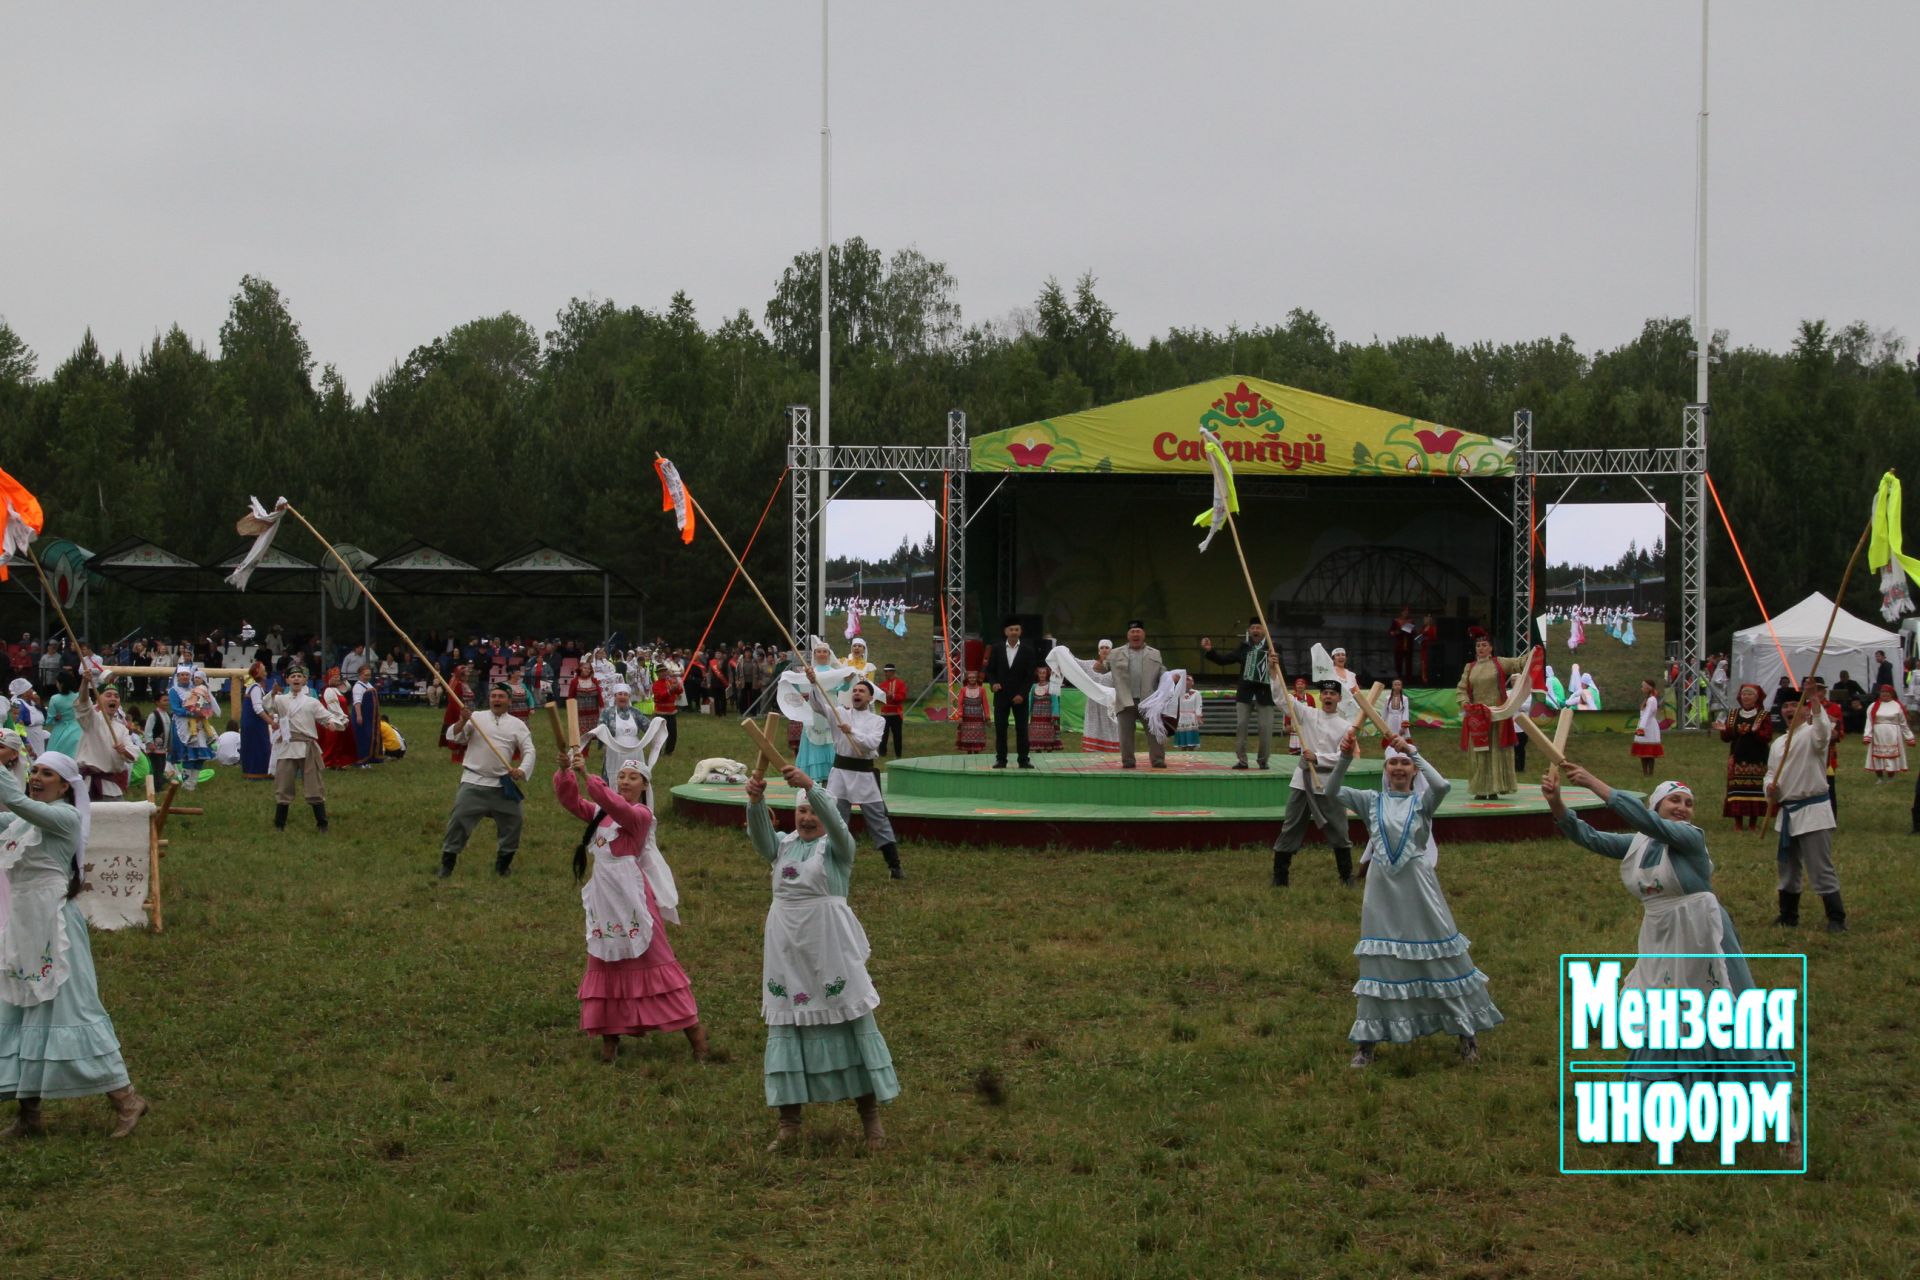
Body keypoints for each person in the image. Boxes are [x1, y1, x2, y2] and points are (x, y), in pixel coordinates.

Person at [1544, 762, 1795, 1139]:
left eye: (1688, 802)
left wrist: (1595, 782)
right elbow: (1591, 837)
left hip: (1703, 934)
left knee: (1731, 1011)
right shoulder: (1640, 845)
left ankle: (1783, 1125)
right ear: (1658, 804)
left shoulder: (1690, 837)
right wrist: (1558, 804)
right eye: (1674, 800)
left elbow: (1648, 823)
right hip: (1662, 939)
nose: (1682, 807)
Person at [744, 764, 900, 1152]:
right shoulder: (780, 847)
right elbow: (759, 835)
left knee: (847, 1017)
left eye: (813, 812)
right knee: (789, 1022)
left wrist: (813, 789)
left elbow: (837, 822)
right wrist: (755, 800)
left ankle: (871, 1122)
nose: (808, 818)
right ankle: (788, 1124)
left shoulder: (838, 849)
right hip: (786, 948)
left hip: (828, 946)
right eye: (801, 811)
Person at [1326, 735, 1501, 1068]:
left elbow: (1444, 785)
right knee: (1380, 961)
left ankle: (1467, 1035)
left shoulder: (1423, 801)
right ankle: (1366, 1044)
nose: (1399, 768)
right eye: (1393, 762)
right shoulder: (1370, 800)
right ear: (1385, 769)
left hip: (1420, 889)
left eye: (1404, 763)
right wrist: (1345, 758)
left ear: (1413, 770)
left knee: (1441, 957)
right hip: (1381, 892)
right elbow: (1331, 792)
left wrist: (1414, 751)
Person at [0, 752, 149, 1139]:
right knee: (19, 1011)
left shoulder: (65, 818)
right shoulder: (20, 822)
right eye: (33, 770)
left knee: (72, 1008)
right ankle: (28, 1114)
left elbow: (15, 801)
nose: (36, 777)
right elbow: (12, 813)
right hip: (24, 926)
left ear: (65, 785)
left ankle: (127, 1100)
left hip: (55, 929)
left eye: (47, 773)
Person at [553, 752, 706, 1064]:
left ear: (645, 785)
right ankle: (609, 1044)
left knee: (656, 959)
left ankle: (698, 1041)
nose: (625, 781)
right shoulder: (599, 813)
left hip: (633, 897)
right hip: (604, 899)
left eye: (632, 777)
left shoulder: (641, 816)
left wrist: (588, 778)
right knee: (605, 960)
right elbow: (571, 801)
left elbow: (619, 809)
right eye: (621, 776)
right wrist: (564, 771)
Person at [812, 675, 905, 879]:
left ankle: (894, 866)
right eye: (854, 690)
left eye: (862, 691)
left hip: (864, 775)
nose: (857, 693)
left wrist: (851, 731)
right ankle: (833, 864)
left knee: (878, 820)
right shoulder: (839, 713)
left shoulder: (877, 721)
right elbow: (819, 705)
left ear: (870, 698)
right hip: (840, 775)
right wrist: (812, 682)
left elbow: (872, 743)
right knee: (836, 819)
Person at [439, 684, 536, 879]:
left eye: (501, 697)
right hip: (473, 781)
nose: (497, 700)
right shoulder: (475, 717)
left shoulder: (517, 724)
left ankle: (502, 866)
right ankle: (447, 866)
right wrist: (462, 720)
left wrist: (522, 770)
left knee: (514, 821)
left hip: (502, 784)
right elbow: (455, 737)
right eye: (493, 697)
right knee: (458, 822)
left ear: (509, 701)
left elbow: (529, 750)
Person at [1764, 693, 1843, 931]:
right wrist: (1769, 787)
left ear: (1805, 711)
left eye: (1794, 705)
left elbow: (1824, 732)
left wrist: (1816, 704)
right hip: (1788, 813)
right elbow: (1770, 772)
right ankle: (1788, 915)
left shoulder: (1812, 734)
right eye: (1786, 705)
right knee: (1787, 868)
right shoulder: (1778, 743)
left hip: (1813, 812)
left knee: (1820, 867)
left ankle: (1836, 917)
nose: (1789, 709)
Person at [1271, 680, 1356, 888]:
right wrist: (1274, 674)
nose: (1328, 697)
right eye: (1325, 693)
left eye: (1332, 694)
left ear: (1339, 699)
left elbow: (1344, 756)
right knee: (1290, 826)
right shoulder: (1308, 714)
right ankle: (1280, 878)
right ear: (1320, 697)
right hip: (1302, 781)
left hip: (1329, 783)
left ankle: (1346, 877)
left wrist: (1318, 757)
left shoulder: (1345, 727)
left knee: (1339, 828)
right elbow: (1282, 699)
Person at [263, 667, 346, 832]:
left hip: (307, 746)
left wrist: (331, 723)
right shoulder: (281, 700)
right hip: (288, 746)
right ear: (287, 680)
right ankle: (280, 824)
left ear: (304, 681)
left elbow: (326, 716)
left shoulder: (311, 702)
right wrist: (272, 694)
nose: (296, 679)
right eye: (292, 676)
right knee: (283, 785)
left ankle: (322, 823)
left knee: (314, 785)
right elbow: (268, 707)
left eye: (299, 676)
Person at [1200, 618, 1279, 770]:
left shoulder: (1273, 647)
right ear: (1249, 631)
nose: (1256, 630)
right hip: (1245, 694)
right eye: (1253, 628)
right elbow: (1224, 660)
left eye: (1258, 627)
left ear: (1264, 630)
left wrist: (1275, 664)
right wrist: (1210, 650)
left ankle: (1263, 761)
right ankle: (1242, 761)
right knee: (1241, 726)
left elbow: (1282, 674)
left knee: (1266, 729)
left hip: (1265, 694)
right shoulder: (1243, 647)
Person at [1455, 633, 1526, 799]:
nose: (1481, 648)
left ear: (1491, 648)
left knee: (1496, 750)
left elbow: (1519, 664)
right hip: (1477, 716)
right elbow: (1461, 689)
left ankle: (1495, 787)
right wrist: (1465, 704)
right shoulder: (1469, 667)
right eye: (1478, 646)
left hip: (1497, 714)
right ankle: (1480, 788)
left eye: (1484, 645)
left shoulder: (1499, 662)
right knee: (1479, 752)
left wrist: (1533, 653)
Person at [1106, 621, 1166, 770]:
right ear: (1128, 635)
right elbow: (1102, 669)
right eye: (1132, 632)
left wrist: (1174, 677)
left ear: (1143, 634)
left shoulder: (1154, 653)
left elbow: (1162, 672)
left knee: (1154, 732)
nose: (1135, 635)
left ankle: (1158, 760)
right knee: (1125, 734)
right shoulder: (1115, 653)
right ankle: (1128, 761)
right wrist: (1100, 662)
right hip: (1125, 700)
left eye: (1138, 631)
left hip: (1149, 701)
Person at [982, 618, 1039, 770]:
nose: (1014, 632)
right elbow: (990, 670)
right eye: (1011, 629)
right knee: (1001, 728)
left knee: (1022, 729)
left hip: (1020, 697)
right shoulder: (997, 648)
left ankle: (1023, 760)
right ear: (1006, 632)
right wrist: (993, 683)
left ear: (1020, 632)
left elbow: (1030, 676)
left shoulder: (1028, 650)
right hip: (1001, 696)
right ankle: (1001, 760)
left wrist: (1022, 694)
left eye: (1017, 629)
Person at [74, 677, 139, 800]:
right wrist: (84, 683)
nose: (113, 698)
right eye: (108, 695)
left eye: (116, 696)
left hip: (111, 786)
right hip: (87, 786)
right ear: (99, 700)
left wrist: (123, 750)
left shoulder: (121, 728)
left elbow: (133, 753)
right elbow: (83, 704)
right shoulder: (92, 720)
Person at [1720, 683, 1772, 831]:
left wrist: (1755, 731)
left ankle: (1753, 823)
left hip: (1757, 758)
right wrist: (1724, 730)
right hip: (1738, 757)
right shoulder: (1733, 715)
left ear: (1757, 698)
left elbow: (1767, 736)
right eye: (1744, 694)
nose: (1746, 697)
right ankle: (1738, 823)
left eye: (1750, 694)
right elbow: (1726, 737)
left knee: (1755, 790)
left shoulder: (1763, 716)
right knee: (1737, 790)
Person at [586, 683, 650, 785]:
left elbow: (648, 727)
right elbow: (600, 729)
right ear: (615, 696)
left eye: (625, 694)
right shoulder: (607, 712)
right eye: (620, 694)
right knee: (614, 776)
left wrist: (658, 727)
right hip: (614, 751)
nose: (623, 697)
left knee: (635, 775)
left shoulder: (635, 712)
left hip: (635, 751)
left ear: (629, 697)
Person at [166, 664, 217, 787]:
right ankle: (186, 783)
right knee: (188, 755)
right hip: (183, 724)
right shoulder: (174, 691)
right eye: (182, 675)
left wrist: (203, 711)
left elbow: (204, 701)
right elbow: (176, 709)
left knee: (200, 754)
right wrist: (190, 712)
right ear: (177, 677)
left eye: (187, 675)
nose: (184, 677)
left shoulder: (196, 688)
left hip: (198, 723)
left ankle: (193, 782)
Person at [1863, 684, 1912, 781]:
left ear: (1892, 694)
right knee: (1877, 755)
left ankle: (1891, 777)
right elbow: (1869, 721)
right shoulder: (1873, 706)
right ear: (1880, 694)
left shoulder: (1897, 706)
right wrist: (1867, 735)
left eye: (1887, 692)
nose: (1885, 694)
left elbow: (1903, 723)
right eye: (1883, 692)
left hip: (1893, 734)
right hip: (1878, 734)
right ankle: (1879, 777)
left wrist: (1909, 737)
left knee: (1891, 755)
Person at [1079, 639, 1120, 753]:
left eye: (1107, 647)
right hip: (1093, 705)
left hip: (1109, 706)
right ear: (1098, 651)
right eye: (1102, 648)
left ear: (1111, 651)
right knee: (1093, 729)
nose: (1104, 650)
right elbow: (1073, 662)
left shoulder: (1118, 668)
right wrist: (1062, 651)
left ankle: (1110, 752)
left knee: (1110, 730)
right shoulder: (1089, 665)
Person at [239, 661, 275, 781]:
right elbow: (258, 708)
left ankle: (255, 771)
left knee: (257, 745)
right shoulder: (255, 687)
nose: (265, 670)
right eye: (263, 669)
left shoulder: (255, 687)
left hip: (252, 721)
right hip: (254, 722)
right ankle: (257, 772)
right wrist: (272, 722)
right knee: (258, 745)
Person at [318, 670, 357, 770]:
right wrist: (342, 718)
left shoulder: (337, 690)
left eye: (338, 677)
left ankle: (337, 762)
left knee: (340, 742)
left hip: (342, 719)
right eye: (334, 677)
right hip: (335, 719)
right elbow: (333, 708)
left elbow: (347, 687)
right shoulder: (329, 691)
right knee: (332, 742)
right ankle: (327, 762)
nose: (337, 679)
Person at [441, 662, 474, 764]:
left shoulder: (465, 684)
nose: (467, 676)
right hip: (457, 713)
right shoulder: (457, 684)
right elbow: (454, 700)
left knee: (466, 733)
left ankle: (462, 755)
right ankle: (455, 757)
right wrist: (460, 714)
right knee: (457, 733)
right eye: (465, 674)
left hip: (468, 712)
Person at [350, 667, 382, 768]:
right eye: (366, 675)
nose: (368, 677)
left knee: (369, 737)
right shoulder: (358, 687)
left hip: (370, 717)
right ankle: (361, 761)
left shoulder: (368, 684)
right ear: (360, 675)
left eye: (369, 674)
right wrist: (359, 716)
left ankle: (368, 759)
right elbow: (357, 702)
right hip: (362, 715)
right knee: (362, 737)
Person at [1631, 678, 1663, 777]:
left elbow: (1647, 714)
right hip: (1645, 724)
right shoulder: (1648, 699)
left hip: (1648, 726)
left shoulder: (1651, 700)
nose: (1642, 688)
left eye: (1643, 686)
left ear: (1649, 688)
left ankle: (1650, 773)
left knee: (1649, 752)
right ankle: (1645, 773)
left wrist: (1641, 727)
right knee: (1643, 751)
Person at [45, 671, 82, 758]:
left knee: (56, 756)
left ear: (61, 684)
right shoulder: (79, 696)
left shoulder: (55, 699)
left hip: (61, 730)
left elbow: (49, 721)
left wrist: (56, 718)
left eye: (57, 683)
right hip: (78, 729)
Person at [1028, 662, 1063, 753]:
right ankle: (1037, 750)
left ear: (1047, 674)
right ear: (1037, 674)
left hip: (1047, 715)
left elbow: (1055, 701)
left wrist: (1055, 714)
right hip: (1036, 716)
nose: (1042, 675)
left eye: (1044, 673)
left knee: (1048, 737)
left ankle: (1048, 752)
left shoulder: (1051, 686)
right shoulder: (1033, 687)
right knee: (1036, 736)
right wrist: (1027, 713)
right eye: (1040, 673)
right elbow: (1030, 701)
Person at [876, 664, 908, 759]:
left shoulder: (900, 683)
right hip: (884, 713)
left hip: (896, 714)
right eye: (885, 671)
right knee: (883, 734)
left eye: (888, 671)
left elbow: (902, 697)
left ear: (893, 672)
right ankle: (882, 753)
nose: (886, 673)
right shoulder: (883, 684)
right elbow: (879, 700)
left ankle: (898, 754)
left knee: (897, 735)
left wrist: (891, 695)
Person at [649, 663, 682, 756]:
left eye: (664, 671)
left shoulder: (671, 681)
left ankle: (669, 752)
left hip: (671, 712)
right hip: (661, 712)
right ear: (658, 674)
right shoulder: (656, 685)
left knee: (672, 733)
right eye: (661, 672)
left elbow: (680, 691)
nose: (663, 673)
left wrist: (678, 686)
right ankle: (657, 752)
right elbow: (660, 697)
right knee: (659, 734)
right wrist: (670, 691)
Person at [955, 670, 986, 754]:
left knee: (977, 735)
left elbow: (985, 704)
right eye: (970, 677)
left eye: (973, 677)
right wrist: (960, 716)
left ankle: (977, 753)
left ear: (976, 678)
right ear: (967, 679)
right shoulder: (963, 690)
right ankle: (969, 753)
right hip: (966, 717)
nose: (972, 679)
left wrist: (987, 717)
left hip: (978, 717)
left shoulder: (982, 690)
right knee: (967, 735)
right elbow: (960, 704)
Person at [1387, 607, 1415, 684]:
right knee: (1398, 663)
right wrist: (1397, 632)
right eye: (1405, 611)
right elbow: (1391, 632)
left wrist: (1406, 630)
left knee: (1409, 663)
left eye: (1407, 611)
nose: (1406, 613)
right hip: (1399, 645)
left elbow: (1412, 632)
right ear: (1401, 612)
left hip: (1408, 645)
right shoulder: (1396, 621)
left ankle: (1409, 679)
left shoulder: (1411, 621)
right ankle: (1398, 679)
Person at [1417, 614, 1439, 686]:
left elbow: (1435, 638)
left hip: (1430, 649)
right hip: (1423, 648)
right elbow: (1419, 637)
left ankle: (1429, 679)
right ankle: (1423, 679)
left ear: (1430, 619)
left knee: (1428, 663)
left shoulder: (1433, 628)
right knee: (1423, 663)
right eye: (1424, 619)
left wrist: (1427, 638)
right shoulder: (1423, 627)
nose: (1424, 620)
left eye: (1426, 619)